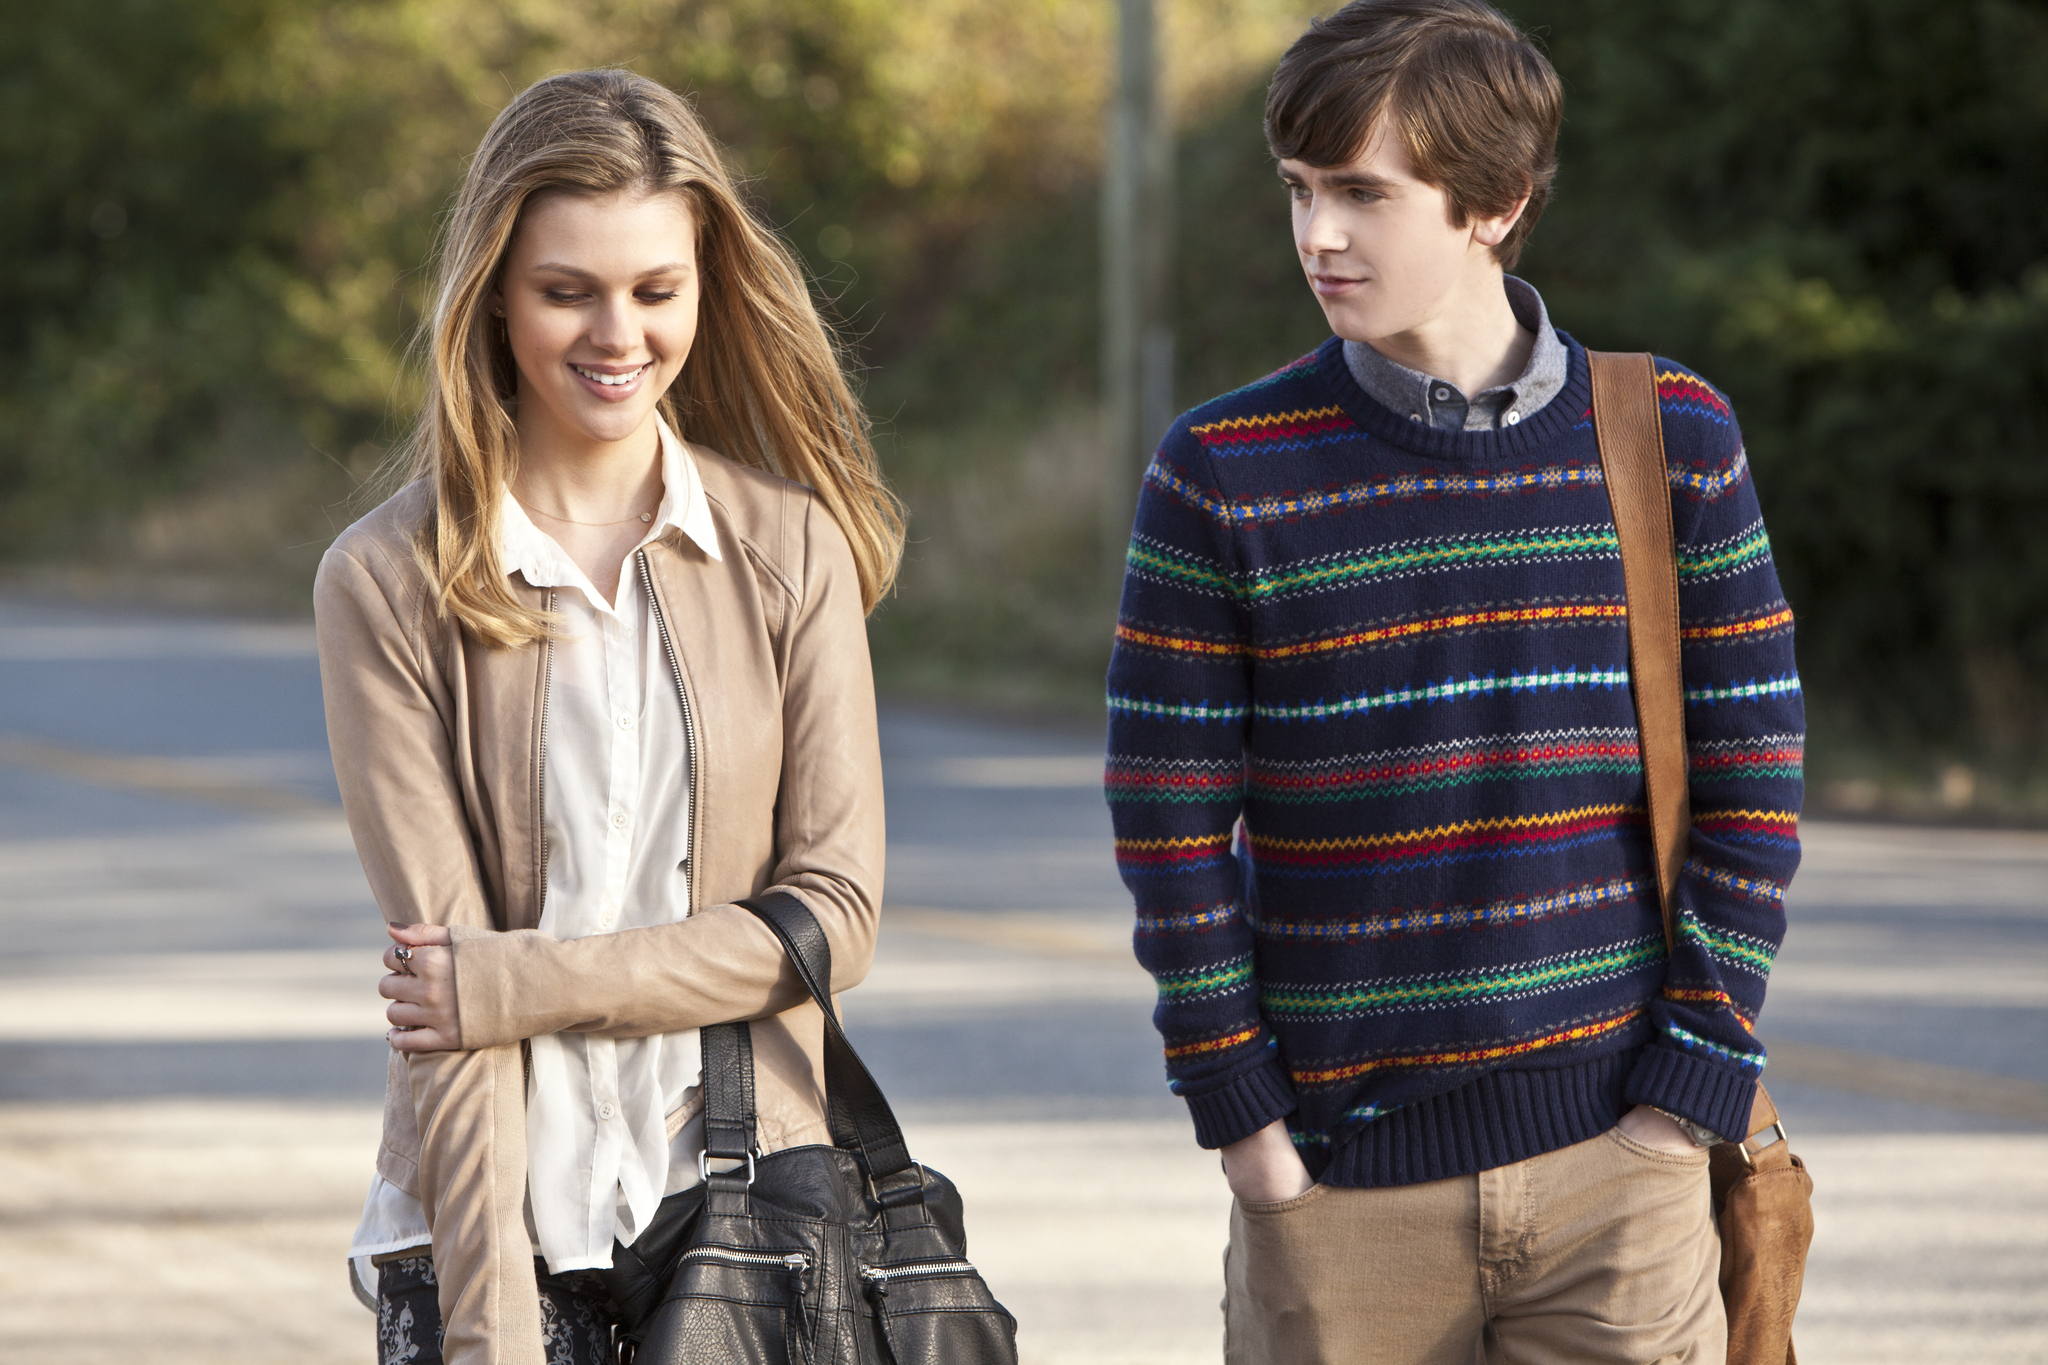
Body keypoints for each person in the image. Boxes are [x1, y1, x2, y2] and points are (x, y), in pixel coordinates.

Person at [1103, 2, 1804, 1360]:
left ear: (1495, 203)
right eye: (1301, 190)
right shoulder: (1222, 468)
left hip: (1622, 1168)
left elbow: (1752, 781)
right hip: (1335, 1192)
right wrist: (1242, 1120)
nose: (1318, 234)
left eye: (1364, 194)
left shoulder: (1673, 436)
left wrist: (1684, 1098)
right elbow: (1167, 824)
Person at [314, 69, 900, 1365]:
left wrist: (518, 981)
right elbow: (448, 1018)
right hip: (490, 1227)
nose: (616, 333)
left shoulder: (789, 553)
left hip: (751, 1221)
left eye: (655, 289)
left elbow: (837, 915)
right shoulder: (389, 579)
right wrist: (492, 1333)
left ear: (705, 283)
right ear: (495, 293)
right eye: (565, 290)